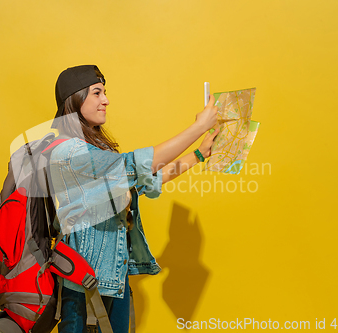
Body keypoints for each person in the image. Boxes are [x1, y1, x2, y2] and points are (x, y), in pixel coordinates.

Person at [49, 65, 219, 333]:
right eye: (97, 93)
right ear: (76, 99)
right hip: (85, 287)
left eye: (104, 92)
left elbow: (148, 178)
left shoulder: (95, 149)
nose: (105, 100)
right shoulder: (69, 152)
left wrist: (198, 154)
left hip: (111, 280)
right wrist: (198, 127)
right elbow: (135, 164)